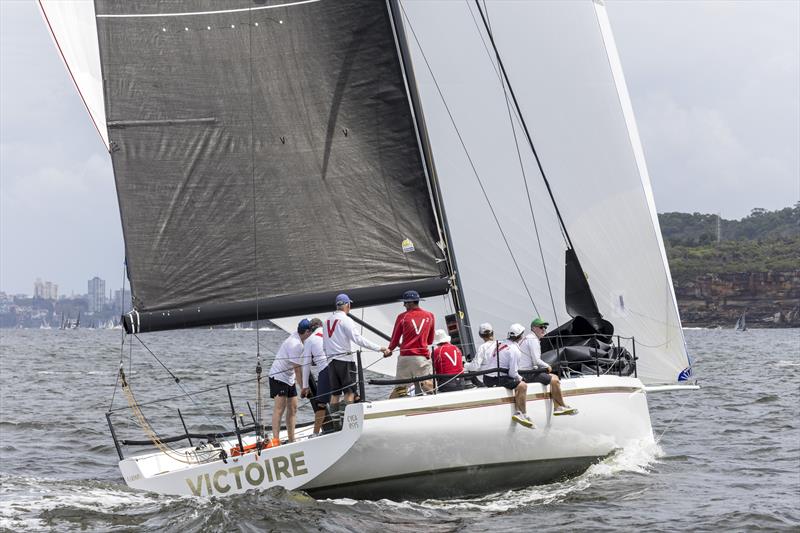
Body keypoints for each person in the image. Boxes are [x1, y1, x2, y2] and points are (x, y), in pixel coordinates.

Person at [323, 294, 390, 422]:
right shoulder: (346, 320)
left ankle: (336, 424)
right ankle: (347, 422)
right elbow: (358, 339)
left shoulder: (326, 322)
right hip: (345, 361)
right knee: (349, 392)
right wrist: (380, 348)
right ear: (347, 305)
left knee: (335, 394)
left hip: (331, 362)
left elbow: (324, 345)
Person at [269, 318, 314, 445]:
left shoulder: (300, 338)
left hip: (289, 378)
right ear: (306, 332)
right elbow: (298, 369)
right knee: (279, 409)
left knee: (293, 408)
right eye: (311, 331)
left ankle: (291, 438)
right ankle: (276, 440)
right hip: (278, 377)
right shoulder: (295, 344)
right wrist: (304, 387)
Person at [519, 317, 577, 415]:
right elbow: (536, 361)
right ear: (534, 328)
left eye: (545, 327)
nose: (544, 330)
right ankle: (561, 405)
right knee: (555, 380)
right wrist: (548, 366)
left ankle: (557, 406)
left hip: (525, 371)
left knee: (554, 377)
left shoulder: (529, 338)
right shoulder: (533, 339)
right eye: (541, 327)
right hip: (526, 373)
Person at [484, 323, 534, 429]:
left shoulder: (501, 343)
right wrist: (521, 378)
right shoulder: (515, 350)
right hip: (496, 378)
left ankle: (520, 412)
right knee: (522, 385)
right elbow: (512, 373)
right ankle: (521, 414)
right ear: (520, 336)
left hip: (487, 377)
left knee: (517, 382)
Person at [387, 290, 436, 398]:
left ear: (410, 303)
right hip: (421, 358)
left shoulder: (402, 317)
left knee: (400, 389)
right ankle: (436, 401)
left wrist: (389, 350)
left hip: (405, 358)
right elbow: (430, 341)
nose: (404, 305)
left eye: (405, 302)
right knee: (427, 384)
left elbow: (395, 339)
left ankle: (389, 406)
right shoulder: (430, 316)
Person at [299, 318, 328, 436]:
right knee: (344, 395)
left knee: (321, 404)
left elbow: (305, 365)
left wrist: (305, 386)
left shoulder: (310, 340)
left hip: (325, 370)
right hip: (339, 365)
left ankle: (315, 433)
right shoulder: (329, 334)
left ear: (311, 329)